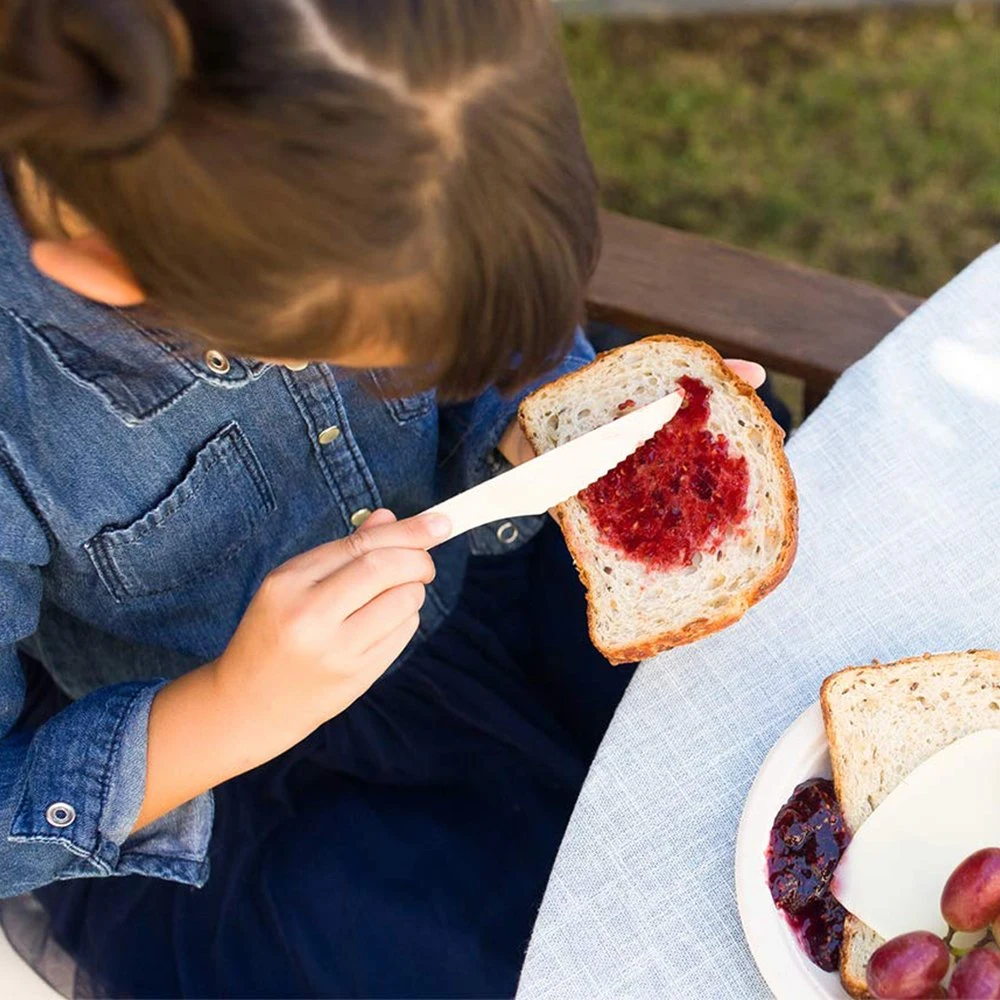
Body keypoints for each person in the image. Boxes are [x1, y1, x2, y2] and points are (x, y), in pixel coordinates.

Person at [0, 2, 764, 996]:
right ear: (105, 270)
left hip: (486, 575)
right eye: (373, 351)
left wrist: (532, 403)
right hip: (233, 787)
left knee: (749, 735)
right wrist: (234, 708)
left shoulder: (362, 91)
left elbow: (453, 299)